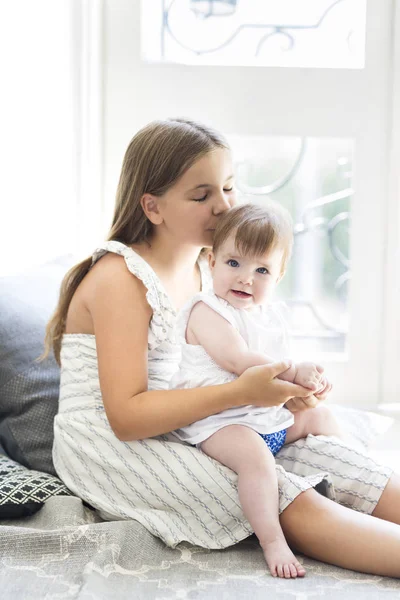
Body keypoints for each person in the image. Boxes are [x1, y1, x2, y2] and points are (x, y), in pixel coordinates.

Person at [42, 117, 400, 580]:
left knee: (332, 453)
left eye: (229, 188)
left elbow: (219, 363)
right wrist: (241, 393)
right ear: (153, 207)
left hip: (194, 418)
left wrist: (279, 391)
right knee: (279, 491)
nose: (224, 206)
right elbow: (126, 419)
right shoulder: (120, 280)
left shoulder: (204, 268)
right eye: (202, 195)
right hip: (114, 443)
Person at [169, 202, 343, 577]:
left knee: (321, 416)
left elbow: (279, 365)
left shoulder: (271, 314)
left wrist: (309, 385)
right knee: (257, 461)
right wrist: (295, 372)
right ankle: (273, 541)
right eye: (234, 263)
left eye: (261, 269)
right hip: (219, 422)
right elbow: (237, 358)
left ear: (278, 277)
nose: (246, 278)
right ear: (211, 261)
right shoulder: (206, 309)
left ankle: (347, 475)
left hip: (266, 418)